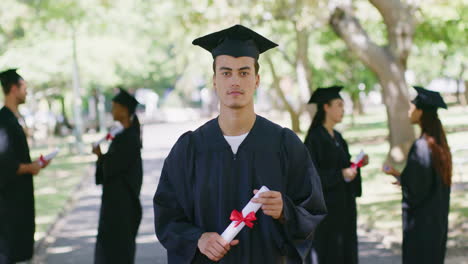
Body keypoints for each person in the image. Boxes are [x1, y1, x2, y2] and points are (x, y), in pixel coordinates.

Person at [153, 24, 327, 263]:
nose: (235, 81)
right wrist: (198, 238)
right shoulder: (190, 149)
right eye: (226, 73)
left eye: (244, 73)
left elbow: (312, 210)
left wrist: (285, 211)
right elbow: (167, 215)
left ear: (256, 80)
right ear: (215, 80)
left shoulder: (284, 144)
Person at [383, 86, 451, 264]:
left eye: (412, 107)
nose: (409, 111)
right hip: (437, 221)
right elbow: (425, 181)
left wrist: (404, 181)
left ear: (421, 112)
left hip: (421, 225)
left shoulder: (421, 146)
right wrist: (399, 176)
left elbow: (416, 188)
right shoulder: (439, 145)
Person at [304, 86, 369, 264]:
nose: (343, 109)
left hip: (344, 207)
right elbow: (310, 176)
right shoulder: (314, 138)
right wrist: (340, 175)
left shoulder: (338, 137)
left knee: (345, 251)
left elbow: (344, 167)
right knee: (329, 253)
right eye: (339, 104)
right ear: (326, 107)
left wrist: (357, 165)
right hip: (326, 211)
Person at [0, 69, 50, 263]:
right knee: (11, 251)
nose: (27, 92)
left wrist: (35, 164)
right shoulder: (4, 120)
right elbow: (3, 162)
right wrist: (30, 167)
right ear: (14, 89)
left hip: (20, 195)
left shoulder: (14, 118)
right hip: (8, 200)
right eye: (24, 88)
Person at [92, 88, 143, 264]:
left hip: (122, 207)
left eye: (114, 107)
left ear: (124, 110)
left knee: (117, 253)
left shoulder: (129, 139)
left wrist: (101, 157)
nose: (112, 111)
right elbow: (111, 166)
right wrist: (100, 156)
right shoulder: (122, 135)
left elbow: (112, 167)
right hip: (115, 205)